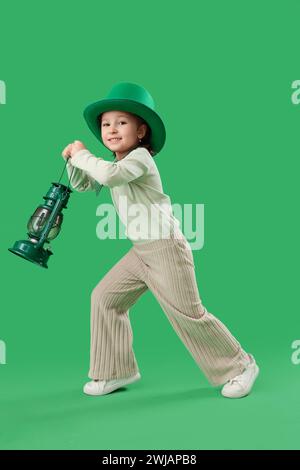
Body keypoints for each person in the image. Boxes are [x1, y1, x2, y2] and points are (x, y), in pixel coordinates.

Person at [62, 82, 259, 399]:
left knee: (188, 314)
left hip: (166, 247)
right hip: (141, 252)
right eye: (106, 123)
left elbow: (109, 177)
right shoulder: (114, 164)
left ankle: (241, 366)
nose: (111, 129)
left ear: (141, 132)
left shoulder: (140, 159)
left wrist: (83, 154)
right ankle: (117, 370)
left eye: (121, 122)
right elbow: (86, 184)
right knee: (104, 298)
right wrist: (74, 162)